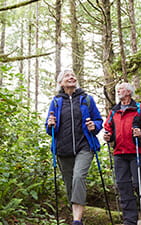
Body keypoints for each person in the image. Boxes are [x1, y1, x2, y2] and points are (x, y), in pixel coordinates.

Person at [45, 69, 103, 225]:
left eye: (73, 75)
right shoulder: (56, 101)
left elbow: (98, 121)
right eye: (67, 76)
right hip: (63, 149)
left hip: (84, 146)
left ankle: (76, 221)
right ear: (61, 83)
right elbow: (49, 127)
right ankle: (79, 218)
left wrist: (94, 125)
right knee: (70, 184)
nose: (71, 77)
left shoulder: (86, 99)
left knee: (78, 177)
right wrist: (50, 125)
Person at [103, 82, 141, 225]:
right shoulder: (114, 111)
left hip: (137, 152)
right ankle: (129, 220)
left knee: (140, 184)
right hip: (119, 153)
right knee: (123, 186)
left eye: (121, 89)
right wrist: (107, 135)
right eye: (117, 89)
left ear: (129, 92)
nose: (118, 91)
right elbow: (108, 128)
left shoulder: (139, 109)